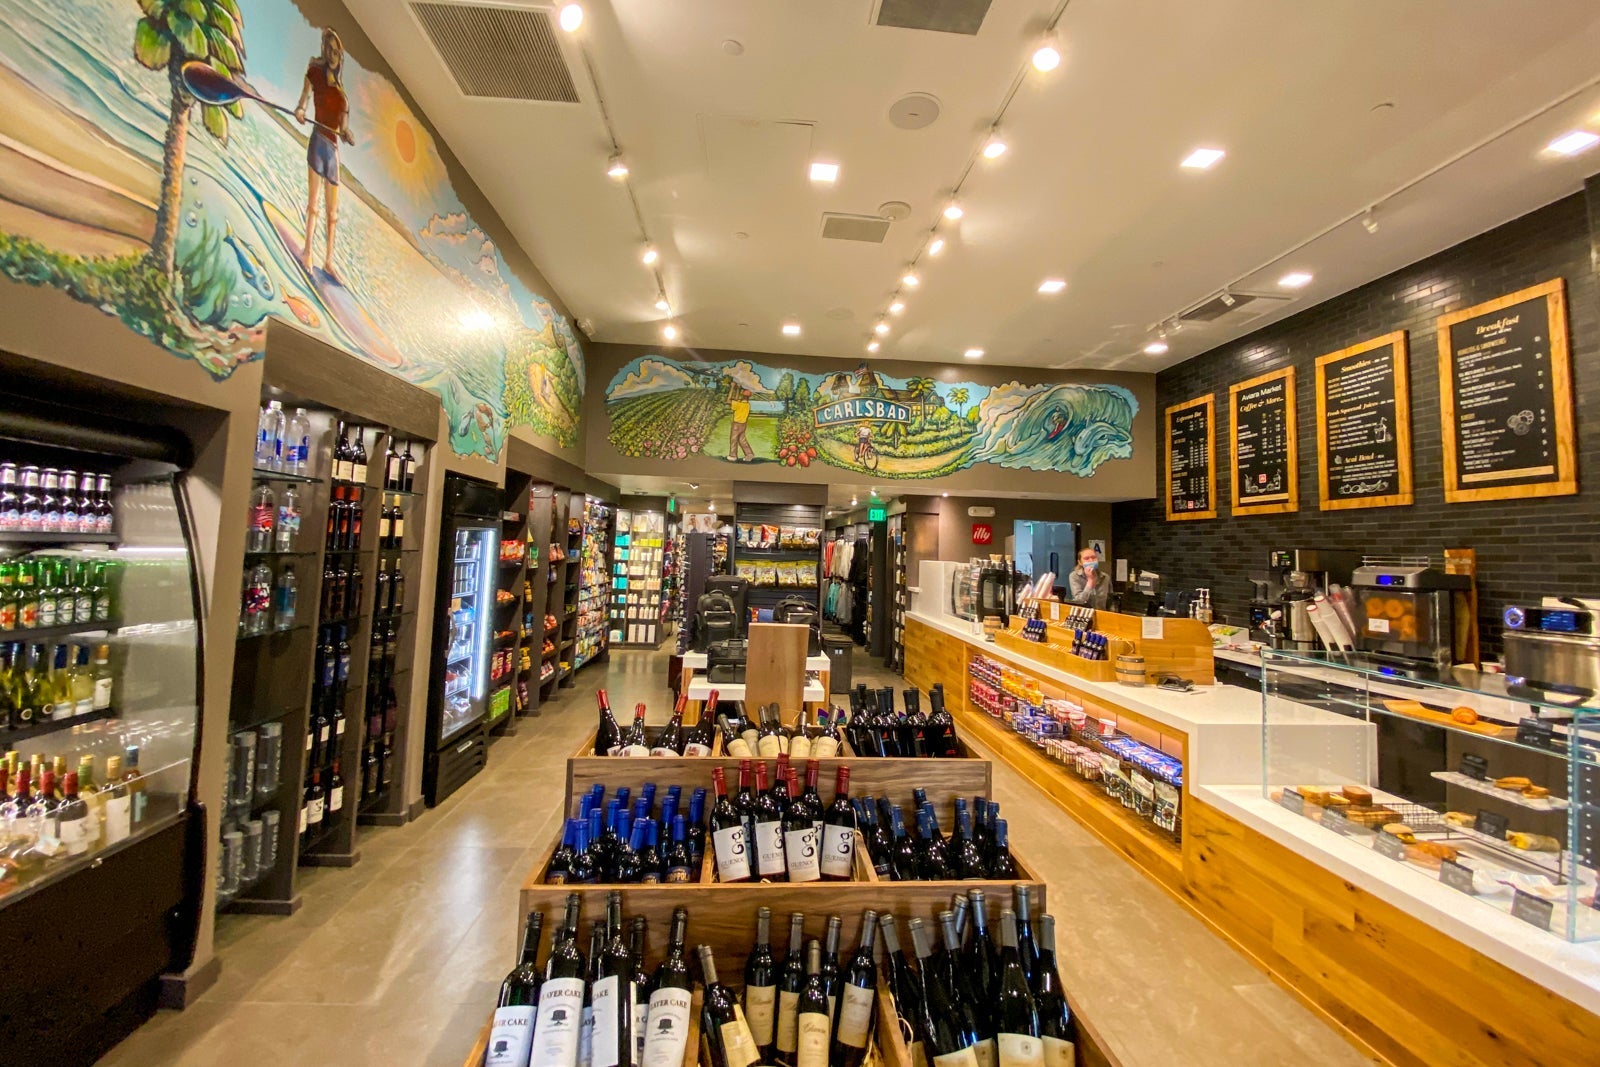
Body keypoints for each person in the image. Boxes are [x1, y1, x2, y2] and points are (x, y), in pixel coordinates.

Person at [294, 28, 355, 278]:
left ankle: (329, 260)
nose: (332, 55)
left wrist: (347, 134)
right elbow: (303, 100)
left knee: (332, 213)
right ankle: (307, 251)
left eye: (336, 51)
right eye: (328, 49)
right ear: (323, 50)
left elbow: (343, 128)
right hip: (318, 142)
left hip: (333, 150)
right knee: (314, 204)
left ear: (340, 56)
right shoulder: (314, 73)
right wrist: (300, 110)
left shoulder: (343, 98)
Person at [727, 387, 754, 461]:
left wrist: (732, 387)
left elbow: (728, 400)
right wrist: (738, 389)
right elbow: (736, 400)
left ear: (742, 396)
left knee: (734, 440)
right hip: (743, 425)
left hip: (736, 424)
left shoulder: (739, 404)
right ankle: (749, 454)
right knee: (742, 440)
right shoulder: (747, 405)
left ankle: (733, 456)